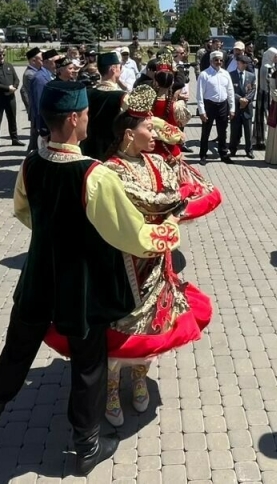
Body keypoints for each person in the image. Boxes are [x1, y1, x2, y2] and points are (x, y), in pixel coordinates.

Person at [0, 80, 185, 475]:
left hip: (37, 275)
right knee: (89, 365)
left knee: (16, 351)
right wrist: (168, 231)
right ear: (72, 118)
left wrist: (52, 233)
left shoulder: (31, 163)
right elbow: (130, 234)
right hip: (82, 283)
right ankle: (86, 445)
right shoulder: (95, 175)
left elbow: (24, 212)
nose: (87, 120)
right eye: (84, 114)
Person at [45, 87, 218, 427]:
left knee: (154, 329)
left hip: (158, 262)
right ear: (128, 133)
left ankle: (139, 377)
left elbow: (184, 188)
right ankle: (111, 387)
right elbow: (154, 202)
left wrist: (174, 203)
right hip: (122, 263)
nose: (154, 134)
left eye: (154, 128)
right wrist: (175, 205)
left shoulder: (157, 162)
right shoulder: (110, 170)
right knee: (120, 330)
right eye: (148, 129)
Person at [196, 50, 235, 165]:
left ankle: (223, 154)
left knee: (222, 131)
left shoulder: (225, 74)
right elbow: (199, 95)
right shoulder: (204, 75)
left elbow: (230, 91)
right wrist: (202, 111)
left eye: (221, 60)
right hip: (209, 105)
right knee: (206, 131)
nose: (218, 62)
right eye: (216, 60)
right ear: (211, 61)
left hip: (223, 105)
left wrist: (232, 108)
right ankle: (203, 154)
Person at [0, 47, 22, 151]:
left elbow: (16, 79)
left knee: (12, 118)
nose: (2, 57)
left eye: (3, 55)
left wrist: (15, 87)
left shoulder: (9, 65)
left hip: (10, 97)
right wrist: (7, 88)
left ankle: (14, 138)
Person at [29, 50, 62, 150]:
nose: (58, 63)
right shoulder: (40, 78)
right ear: (46, 62)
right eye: (56, 61)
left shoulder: (50, 75)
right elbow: (39, 105)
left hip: (49, 123)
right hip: (43, 125)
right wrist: (43, 129)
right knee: (38, 151)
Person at [229, 55, 257, 159]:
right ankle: (232, 149)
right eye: (242, 63)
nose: (243, 65)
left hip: (247, 107)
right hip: (236, 107)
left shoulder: (251, 76)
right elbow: (230, 90)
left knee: (248, 130)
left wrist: (246, 100)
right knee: (235, 130)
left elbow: (253, 90)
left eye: (245, 63)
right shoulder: (231, 75)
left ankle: (249, 150)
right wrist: (239, 99)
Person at [254, 47, 277, 150]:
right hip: (267, 96)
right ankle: (265, 140)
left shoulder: (265, 66)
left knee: (262, 117)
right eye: (275, 56)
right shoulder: (268, 68)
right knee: (266, 117)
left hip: (263, 95)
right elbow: (271, 84)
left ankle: (260, 139)